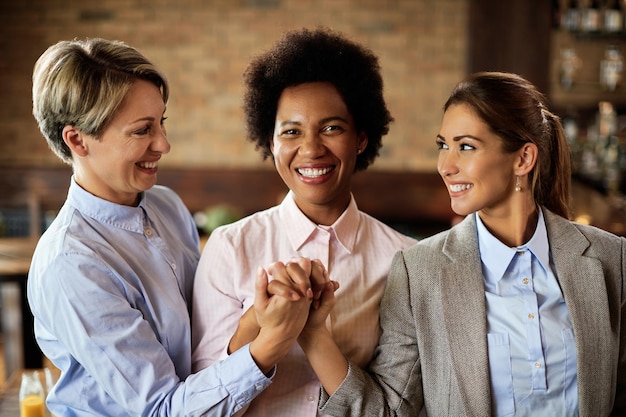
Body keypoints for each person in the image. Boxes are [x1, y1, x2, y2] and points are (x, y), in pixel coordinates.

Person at [296, 71, 626, 416]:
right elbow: (389, 412)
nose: (445, 165)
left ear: (523, 159)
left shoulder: (610, 259)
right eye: (443, 146)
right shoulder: (419, 271)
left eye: (465, 146)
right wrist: (314, 335)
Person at [27, 37, 315, 416]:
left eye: (161, 122)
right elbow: (164, 409)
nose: (164, 144)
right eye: (142, 130)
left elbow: (201, 336)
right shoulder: (72, 265)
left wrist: (256, 318)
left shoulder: (165, 205)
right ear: (77, 139)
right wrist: (271, 345)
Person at [191, 27, 417, 415]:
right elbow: (201, 405)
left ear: (361, 138)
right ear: (271, 142)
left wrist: (313, 333)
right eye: (291, 131)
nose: (311, 149)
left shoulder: (406, 260)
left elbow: (394, 407)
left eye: (331, 128)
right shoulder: (229, 247)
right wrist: (258, 323)